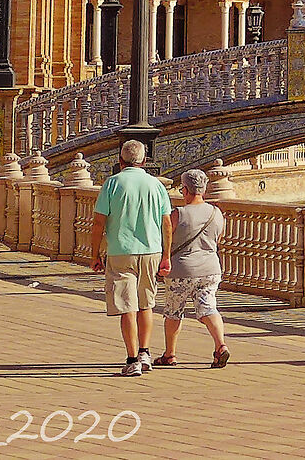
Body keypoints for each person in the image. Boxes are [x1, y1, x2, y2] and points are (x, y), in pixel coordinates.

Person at [88, 140, 172, 377]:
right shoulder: (156, 186)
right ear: (145, 161)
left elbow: (98, 223)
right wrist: (166, 255)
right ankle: (145, 352)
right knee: (146, 304)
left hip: (120, 251)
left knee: (127, 306)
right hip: (151, 251)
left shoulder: (112, 184)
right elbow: (166, 223)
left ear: (120, 161)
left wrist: (94, 254)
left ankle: (132, 358)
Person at [156, 169, 229, 368]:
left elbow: (165, 241)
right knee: (208, 307)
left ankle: (170, 354)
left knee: (173, 312)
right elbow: (218, 240)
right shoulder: (216, 212)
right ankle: (220, 345)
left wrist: (163, 260)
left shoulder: (178, 213)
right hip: (210, 269)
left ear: (186, 189)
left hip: (181, 271)